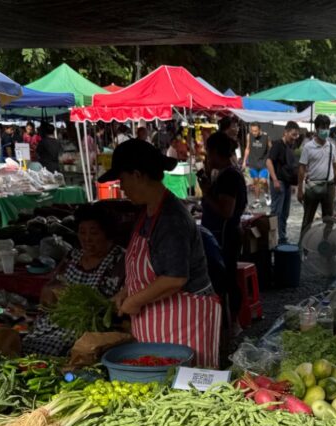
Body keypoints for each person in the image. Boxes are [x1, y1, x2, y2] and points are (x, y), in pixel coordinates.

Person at [100, 139, 221, 368]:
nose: (122, 187)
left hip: (185, 321)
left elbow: (175, 278)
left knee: (184, 390)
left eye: (122, 180)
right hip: (160, 324)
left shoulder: (170, 218)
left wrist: (135, 301)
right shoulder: (148, 211)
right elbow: (147, 270)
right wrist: (126, 292)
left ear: (137, 175)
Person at [22, 204, 127, 356]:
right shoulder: (73, 256)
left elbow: (119, 303)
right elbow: (50, 288)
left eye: (94, 233)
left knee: (59, 349)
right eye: (82, 232)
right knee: (29, 344)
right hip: (59, 321)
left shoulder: (120, 260)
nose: (87, 239)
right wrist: (53, 294)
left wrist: (88, 305)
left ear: (108, 233)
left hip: (91, 327)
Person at [199, 131, 247, 336]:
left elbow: (226, 210)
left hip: (225, 236)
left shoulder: (229, 177)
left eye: (209, 153)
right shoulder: (227, 173)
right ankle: (227, 323)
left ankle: (230, 323)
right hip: (222, 234)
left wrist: (207, 192)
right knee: (224, 277)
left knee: (224, 279)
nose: (207, 158)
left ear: (217, 153)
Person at [297, 114, 336, 239]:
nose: (326, 130)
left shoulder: (331, 146)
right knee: (307, 220)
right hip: (312, 187)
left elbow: (335, 167)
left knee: (328, 220)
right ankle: (303, 246)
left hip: (329, 187)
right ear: (316, 129)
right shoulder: (308, 147)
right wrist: (300, 189)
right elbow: (301, 168)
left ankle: (325, 245)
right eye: (323, 127)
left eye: (327, 127)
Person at [267, 120, 299, 245]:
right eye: (293, 134)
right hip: (278, 181)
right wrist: (275, 180)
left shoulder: (290, 147)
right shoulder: (277, 145)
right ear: (285, 132)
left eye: (297, 135)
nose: (295, 137)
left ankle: (282, 237)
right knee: (276, 212)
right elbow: (269, 162)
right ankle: (272, 240)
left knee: (285, 213)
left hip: (286, 182)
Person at [243, 123, 271, 207]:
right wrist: (244, 161)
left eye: (255, 131)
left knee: (263, 181)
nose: (254, 133)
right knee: (256, 182)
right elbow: (247, 148)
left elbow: (271, 148)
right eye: (252, 131)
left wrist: (270, 160)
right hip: (253, 163)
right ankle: (257, 200)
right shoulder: (249, 136)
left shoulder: (266, 137)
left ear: (260, 130)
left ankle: (266, 194)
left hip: (263, 163)